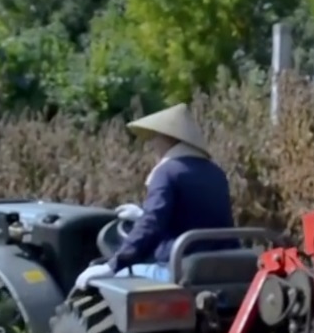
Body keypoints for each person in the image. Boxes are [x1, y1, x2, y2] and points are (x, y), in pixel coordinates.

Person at [74, 103, 237, 289]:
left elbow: (152, 224)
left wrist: (113, 265)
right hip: (222, 264)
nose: (151, 144)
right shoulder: (216, 172)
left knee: (108, 277)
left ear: (169, 138)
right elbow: (195, 213)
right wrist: (141, 214)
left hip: (179, 266)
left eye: (155, 137)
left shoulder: (167, 171)